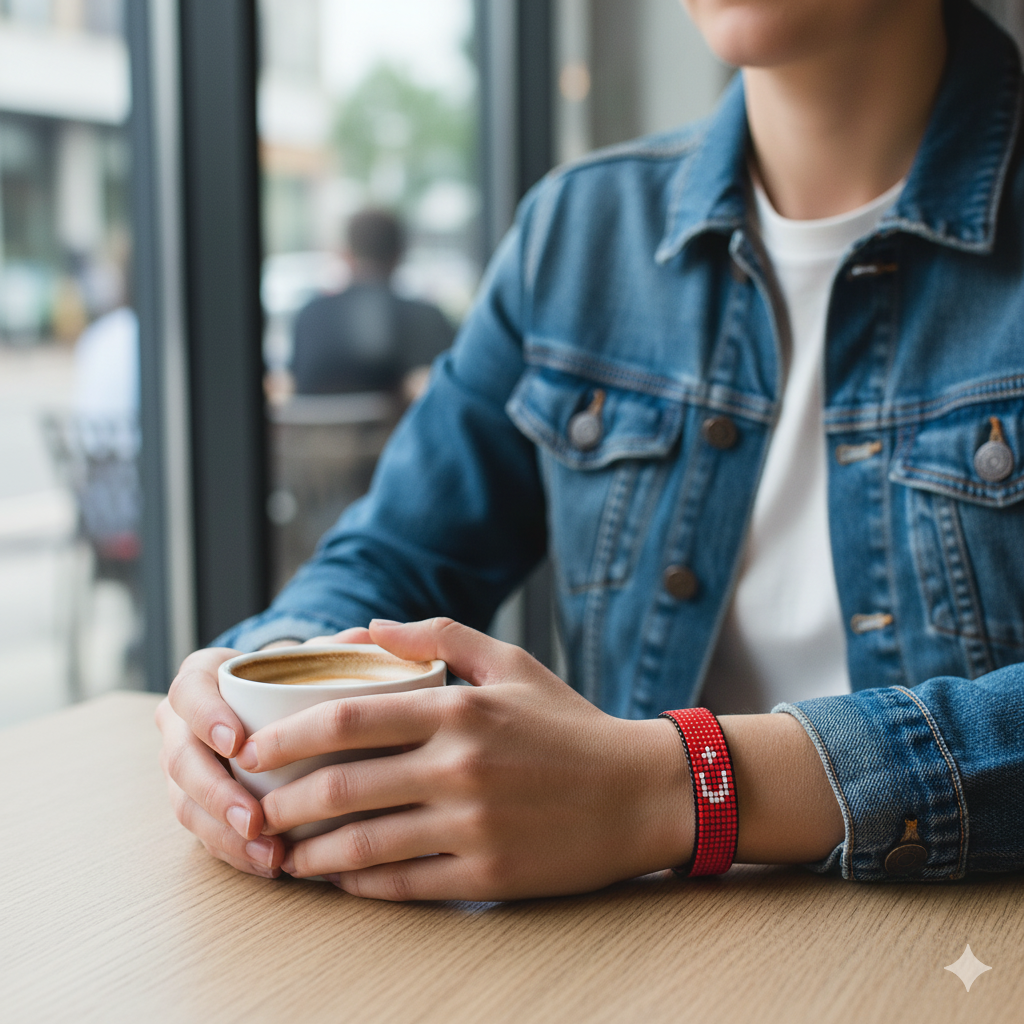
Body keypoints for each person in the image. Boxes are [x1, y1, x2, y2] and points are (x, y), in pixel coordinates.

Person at [158, 0, 1024, 900]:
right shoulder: (577, 234)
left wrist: (674, 785)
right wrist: (253, 687)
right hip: (633, 957)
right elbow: (396, 554)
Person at [289, 209, 455, 399]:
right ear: (399, 255)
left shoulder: (311, 316)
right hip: (400, 428)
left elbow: (295, 388)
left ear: (346, 255)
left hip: (316, 429)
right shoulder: (429, 319)